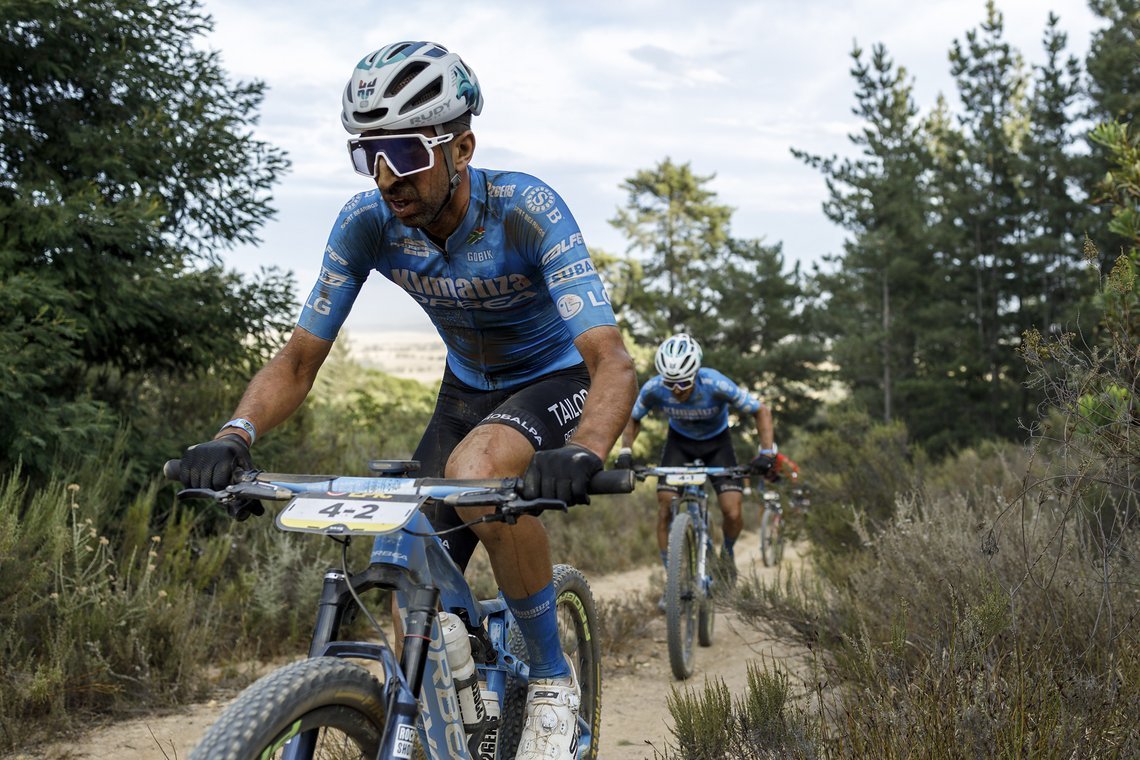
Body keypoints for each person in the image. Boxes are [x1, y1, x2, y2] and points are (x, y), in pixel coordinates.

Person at [176, 41, 636, 760]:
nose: (388, 175)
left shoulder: (526, 209)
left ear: (463, 146)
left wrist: (586, 450)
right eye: (369, 155)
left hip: (555, 381)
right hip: (465, 390)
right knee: (400, 547)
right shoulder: (368, 223)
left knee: (478, 466)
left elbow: (609, 358)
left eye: (405, 151)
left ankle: (550, 678)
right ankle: (456, 703)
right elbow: (299, 359)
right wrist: (235, 435)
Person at [616, 333, 775, 595]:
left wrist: (766, 453)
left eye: (683, 382)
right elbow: (633, 417)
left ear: (696, 374)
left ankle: (727, 553)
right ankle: (673, 584)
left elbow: (762, 410)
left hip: (717, 444)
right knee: (665, 507)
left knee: (733, 512)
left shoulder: (716, 384)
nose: (676, 390)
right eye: (670, 383)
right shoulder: (655, 388)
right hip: (680, 444)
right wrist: (625, 452)